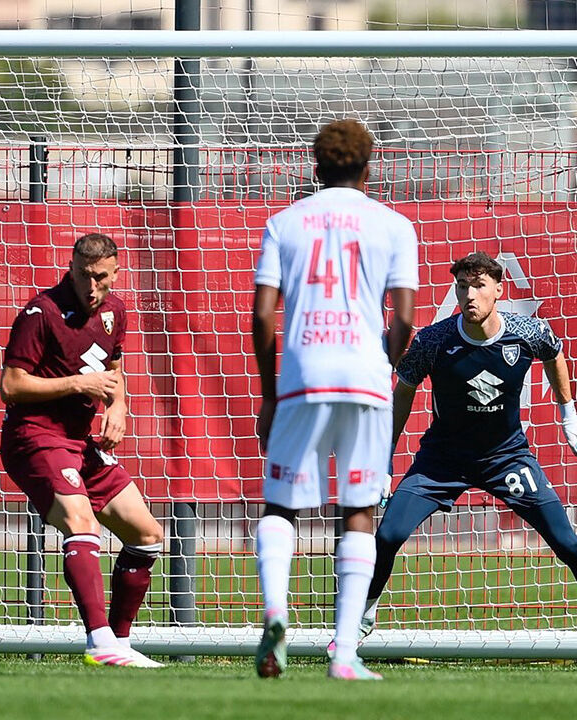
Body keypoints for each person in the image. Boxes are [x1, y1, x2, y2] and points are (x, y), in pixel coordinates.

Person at [356, 252, 577, 669]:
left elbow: (554, 353)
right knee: (387, 535)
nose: (468, 294)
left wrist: (568, 413)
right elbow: (403, 389)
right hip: (443, 460)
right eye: (462, 286)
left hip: (507, 458)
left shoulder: (525, 333)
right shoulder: (433, 341)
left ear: (499, 290)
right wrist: (383, 461)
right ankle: (361, 619)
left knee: (567, 543)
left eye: (478, 285)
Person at [251, 118, 417, 680]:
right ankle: (344, 653)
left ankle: (276, 614)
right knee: (359, 512)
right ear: (369, 167)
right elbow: (406, 319)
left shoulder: (284, 223)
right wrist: (383, 364)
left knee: (281, 505)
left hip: (302, 377)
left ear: (315, 167)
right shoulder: (394, 225)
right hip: (366, 380)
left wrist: (270, 393)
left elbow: (263, 313)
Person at [0, 232, 165, 669]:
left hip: (80, 442)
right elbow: (11, 386)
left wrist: (119, 406)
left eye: (101, 279)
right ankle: (99, 640)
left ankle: (119, 644)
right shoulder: (42, 312)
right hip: (35, 437)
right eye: (83, 277)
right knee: (80, 520)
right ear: (70, 268)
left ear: (115, 273)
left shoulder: (115, 311)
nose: (92, 289)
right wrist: (78, 384)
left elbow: (113, 368)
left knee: (146, 535)